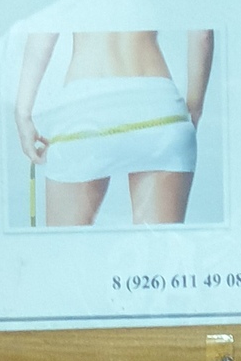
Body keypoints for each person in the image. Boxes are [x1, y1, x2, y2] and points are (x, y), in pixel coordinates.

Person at [15, 29, 214, 226]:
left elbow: (42, 36)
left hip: (84, 109)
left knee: (66, 245)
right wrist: (194, 110)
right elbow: (202, 34)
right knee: (157, 245)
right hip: (159, 108)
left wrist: (23, 114)